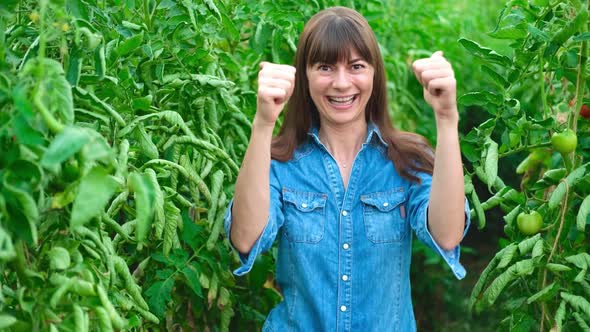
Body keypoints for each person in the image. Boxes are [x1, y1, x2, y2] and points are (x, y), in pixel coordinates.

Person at [223, 6, 470, 331]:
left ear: (374, 74)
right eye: (325, 67)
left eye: (356, 66)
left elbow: (448, 235)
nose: (341, 83)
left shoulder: (405, 158)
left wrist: (447, 118)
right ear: (304, 76)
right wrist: (263, 123)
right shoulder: (279, 162)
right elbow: (245, 239)